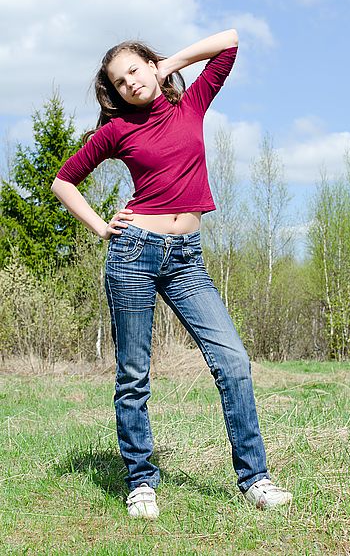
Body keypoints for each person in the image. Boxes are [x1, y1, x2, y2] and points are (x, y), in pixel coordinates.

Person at [51, 29, 293, 519]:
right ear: (114, 92)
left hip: (187, 259)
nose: (130, 83)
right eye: (119, 81)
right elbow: (63, 180)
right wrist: (102, 227)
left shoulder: (192, 105)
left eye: (136, 70)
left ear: (151, 64)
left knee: (234, 363)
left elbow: (230, 42)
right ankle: (141, 481)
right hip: (133, 253)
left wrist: (169, 62)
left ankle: (255, 479)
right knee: (134, 374)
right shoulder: (117, 131)